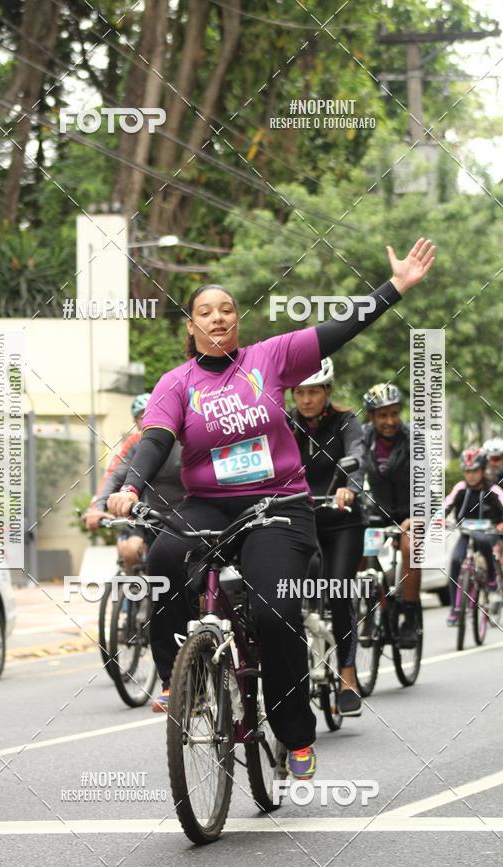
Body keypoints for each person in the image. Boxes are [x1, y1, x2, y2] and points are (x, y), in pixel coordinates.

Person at [108, 238, 436, 780]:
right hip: (209, 505)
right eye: (205, 312)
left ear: (237, 321)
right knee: (163, 558)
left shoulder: (269, 358)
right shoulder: (176, 384)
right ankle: (178, 680)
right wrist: (133, 487)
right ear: (191, 328)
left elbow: (340, 328)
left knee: (271, 610)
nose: (217, 318)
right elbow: (156, 442)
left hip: (278, 505)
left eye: (227, 310)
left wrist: (395, 287)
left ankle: (296, 734)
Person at [289, 357, 366, 717]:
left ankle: (348, 674)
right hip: (300, 519)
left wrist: (350, 488)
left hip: (341, 521)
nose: (306, 400)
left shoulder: (346, 422)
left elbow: (357, 456)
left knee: (337, 589)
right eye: (300, 393)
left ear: (327, 391)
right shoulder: (286, 424)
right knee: (284, 590)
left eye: (314, 392)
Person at [361, 383, 420, 649]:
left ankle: (410, 614)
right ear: (372, 417)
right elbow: (353, 473)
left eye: (394, 413)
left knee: (411, 544)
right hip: (378, 512)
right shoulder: (363, 439)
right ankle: (371, 608)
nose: (389, 421)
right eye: (382, 415)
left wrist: (416, 515)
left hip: (411, 511)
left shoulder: (414, 439)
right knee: (360, 547)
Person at [82, 393, 150, 571]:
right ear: (135, 421)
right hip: (139, 515)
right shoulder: (134, 443)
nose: (146, 420)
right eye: (141, 416)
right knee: (128, 550)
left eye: (150, 413)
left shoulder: (179, 438)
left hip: (173, 515)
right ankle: (134, 591)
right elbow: (114, 475)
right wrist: (97, 508)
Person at [445, 447, 503, 624]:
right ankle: (455, 609)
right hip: (466, 534)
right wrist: (438, 519)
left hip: (489, 534)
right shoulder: (460, 488)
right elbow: (445, 506)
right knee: (454, 561)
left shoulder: (494, 490)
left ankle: (491, 576)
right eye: (467, 471)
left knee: (482, 540)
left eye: (475, 471)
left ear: (482, 470)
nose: (471, 475)